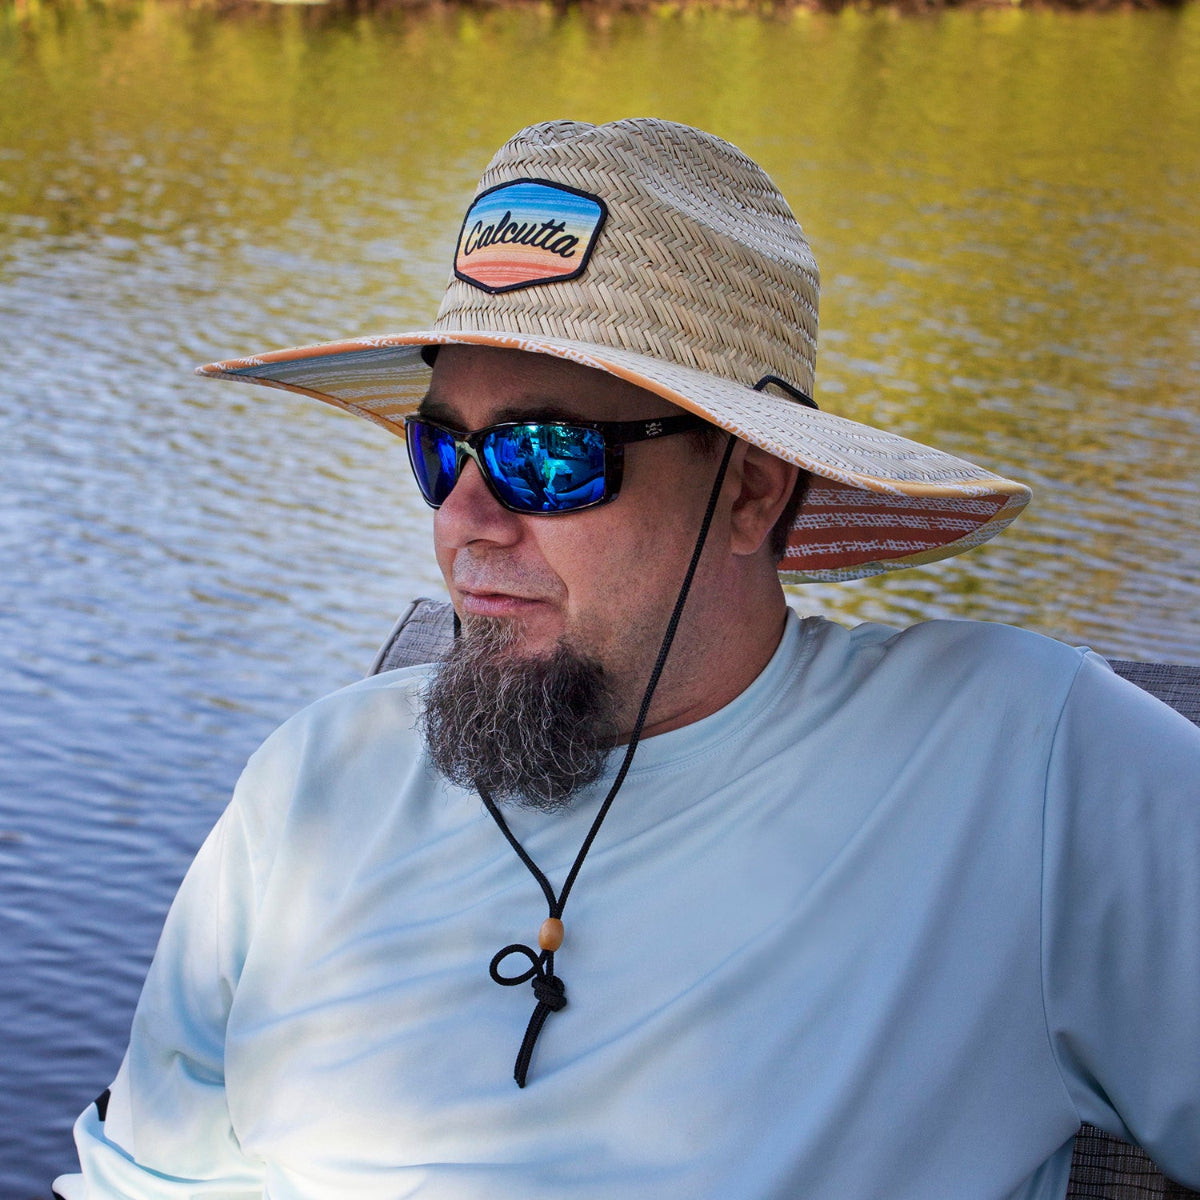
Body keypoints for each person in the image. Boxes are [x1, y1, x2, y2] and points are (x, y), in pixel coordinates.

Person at [55, 119, 1199, 1200]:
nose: (464, 519)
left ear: (751, 488)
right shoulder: (311, 786)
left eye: (546, 456)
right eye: (438, 446)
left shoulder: (1024, 769)